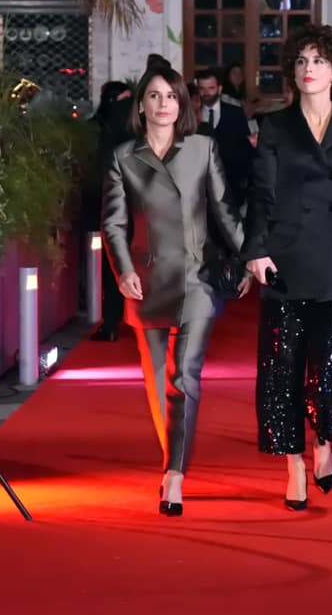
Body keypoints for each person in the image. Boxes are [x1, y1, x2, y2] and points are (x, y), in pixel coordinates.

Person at [243, 24, 332, 511]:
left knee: (327, 362)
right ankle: (293, 465)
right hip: (286, 256)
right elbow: (261, 194)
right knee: (282, 366)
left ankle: (323, 439)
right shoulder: (276, 125)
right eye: (301, 61)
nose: (309, 69)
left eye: (319, 61)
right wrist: (255, 249)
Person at [102, 64, 248, 516]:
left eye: (171, 96)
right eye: (154, 96)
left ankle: (174, 473)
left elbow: (224, 211)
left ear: (182, 103)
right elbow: (114, 223)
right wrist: (123, 269)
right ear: (141, 105)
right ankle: (173, 454)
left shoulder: (203, 148)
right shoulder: (123, 156)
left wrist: (251, 257)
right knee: (156, 381)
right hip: (145, 282)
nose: (163, 103)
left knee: (183, 377)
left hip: (196, 279)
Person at [88, 81, 133, 341]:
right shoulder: (140, 116)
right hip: (138, 200)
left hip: (115, 197)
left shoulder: (106, 121)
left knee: (115, 260)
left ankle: (112, 322)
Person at [196, 69, 255, 203]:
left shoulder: (235, 113)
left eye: (211, 88)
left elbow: (245, 146)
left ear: (220, 89)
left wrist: (245, 180)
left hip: (232, 183)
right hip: (201, 187)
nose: (206, 93)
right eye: (202, 89)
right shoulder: (193, 114)